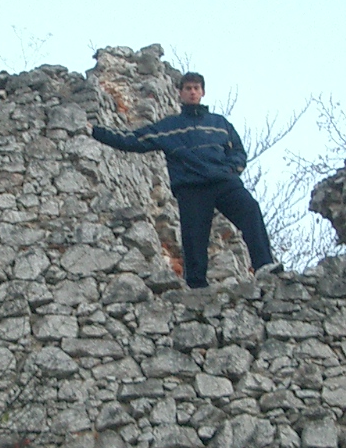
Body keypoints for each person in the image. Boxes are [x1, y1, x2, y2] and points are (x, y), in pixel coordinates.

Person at [90, 71, 279, 289]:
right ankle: (196, 287)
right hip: (191, 187)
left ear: (203, 92)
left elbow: (238, 151)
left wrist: (232, 169)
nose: (192, 92)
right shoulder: (170, 126)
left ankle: (264, 266)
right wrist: (95, 131)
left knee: (251, 210)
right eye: (188, 88)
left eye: (196, 88)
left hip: (223, 182)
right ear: (180, 93)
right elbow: (134, 140)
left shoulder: (219, 123)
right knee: (193, 237)